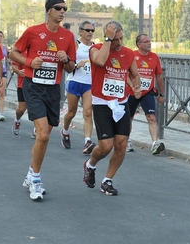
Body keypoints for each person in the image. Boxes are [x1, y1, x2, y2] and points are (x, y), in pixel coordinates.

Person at [9, 0, 76, 200]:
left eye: (65, 8)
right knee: (44, 135)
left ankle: (31, 173)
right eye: (58, 8)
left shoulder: (68, 36)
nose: (62, 11)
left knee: (44, 134)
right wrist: (29, 62)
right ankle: (36, 180)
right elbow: (13, 53)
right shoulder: (32, 31)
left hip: (53, 89)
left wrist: (66, 60)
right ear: (49, 11)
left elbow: (71, 68)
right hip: (33, 87)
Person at [82, 21, 141, 196]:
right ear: (107, 38)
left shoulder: (128, 53)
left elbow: (135, 74)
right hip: (101, 103)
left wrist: (136, 86)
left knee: (121, 145)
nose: (120, 43)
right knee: (106, 146)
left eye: (121, 38)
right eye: (116, 40)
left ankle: (107, 180)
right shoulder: (96, 49)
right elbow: (99, 62)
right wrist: (108, 41)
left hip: (121, 103)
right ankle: (90, 164)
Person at [126, 34, 165, 155]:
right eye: (146, 41)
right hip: (132, 92)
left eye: (150, 41)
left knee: (152, 117)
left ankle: (155, 143)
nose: (149, 43)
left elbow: (159, 76)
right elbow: (125, 73)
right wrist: (132, 86)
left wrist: (162, 93)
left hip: (147, 92)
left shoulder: (154, 57)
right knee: (129, 118)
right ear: (139, 45)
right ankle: (126, 140)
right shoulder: (132, 55)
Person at [61, 20, 96, 154]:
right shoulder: (76, 45)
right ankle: (65, 131)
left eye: (92, 30)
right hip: (74, 81)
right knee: (71, 112)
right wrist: (76, 65)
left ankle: (87, 141)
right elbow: (67, 64)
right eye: (87, 30)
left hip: (89, 83)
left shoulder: (95, 47)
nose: (90, 33)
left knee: (88, 113)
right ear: (81, 31)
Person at [11, 50, 36, 137]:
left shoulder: (40, 51)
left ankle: (36, 129)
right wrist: (18, 71)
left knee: (36, 108)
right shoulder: (21, 52)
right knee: (21, 109)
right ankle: (17, 120)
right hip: (23, 85)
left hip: (37, 85)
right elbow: (14, 66)